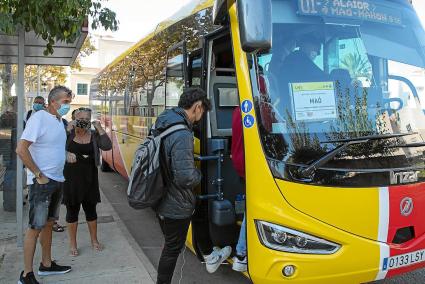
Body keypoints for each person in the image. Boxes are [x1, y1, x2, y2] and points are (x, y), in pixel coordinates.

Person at [152, 87, 211, 284]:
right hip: (175, 202)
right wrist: (201, 174)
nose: (200, 118)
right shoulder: (182, 133)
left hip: (160, 195)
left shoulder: (164, 122)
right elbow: (185, 177)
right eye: (202, 112)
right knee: (172, 248)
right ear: (197, 107)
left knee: (171, 244)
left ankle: (209, 254)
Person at [16, 86, 73, 284]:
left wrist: (66, 155)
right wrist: (38, 174)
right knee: (35, 227)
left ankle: (46, 265)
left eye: (69, 101)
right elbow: (21, 149)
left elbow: (52, 148)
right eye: (65, 102)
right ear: (52, 102)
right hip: (42, 182)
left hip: (57, 180)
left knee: (49, 224)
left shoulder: (59, 121)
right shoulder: (39, 118)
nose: (68, 105)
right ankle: (26, 274)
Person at [63, 107, 112, 256]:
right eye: (81, 119)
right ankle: (73, 243)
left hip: (90, 177)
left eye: (87, 119)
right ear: (73, 119)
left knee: (91, 210)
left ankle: (94, 240)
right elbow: (54, 147)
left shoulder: (94, 134)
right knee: (72, 211)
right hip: (71, 178)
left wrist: (99, 127)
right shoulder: (67, 133)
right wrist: (66, 131)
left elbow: (107, 146)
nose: (84, 121)